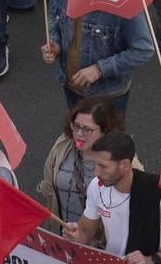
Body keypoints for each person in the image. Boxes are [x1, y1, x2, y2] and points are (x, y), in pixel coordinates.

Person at [43, 0, 156, 112]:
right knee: (78, 135)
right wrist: (55, 43)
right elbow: (52, 17)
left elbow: (144, 49)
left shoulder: (122, 1)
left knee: (108, 140)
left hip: (106, 96)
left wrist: (99, 70)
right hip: (70, 86)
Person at [65, 131, 161, 264]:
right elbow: (86, 231)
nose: (96, 172)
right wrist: (76, 235)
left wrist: (152, 259)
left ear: (125, 165)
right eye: (95, 164)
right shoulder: (96, 186)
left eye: (103, 166)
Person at [42, 97, 125, 230]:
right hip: (64, 231)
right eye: (76, 126)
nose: (79, 134)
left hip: (100, 242)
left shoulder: (120, 158)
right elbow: (49, 189)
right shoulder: (62, 147)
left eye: (87, 129)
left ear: (105, 130)